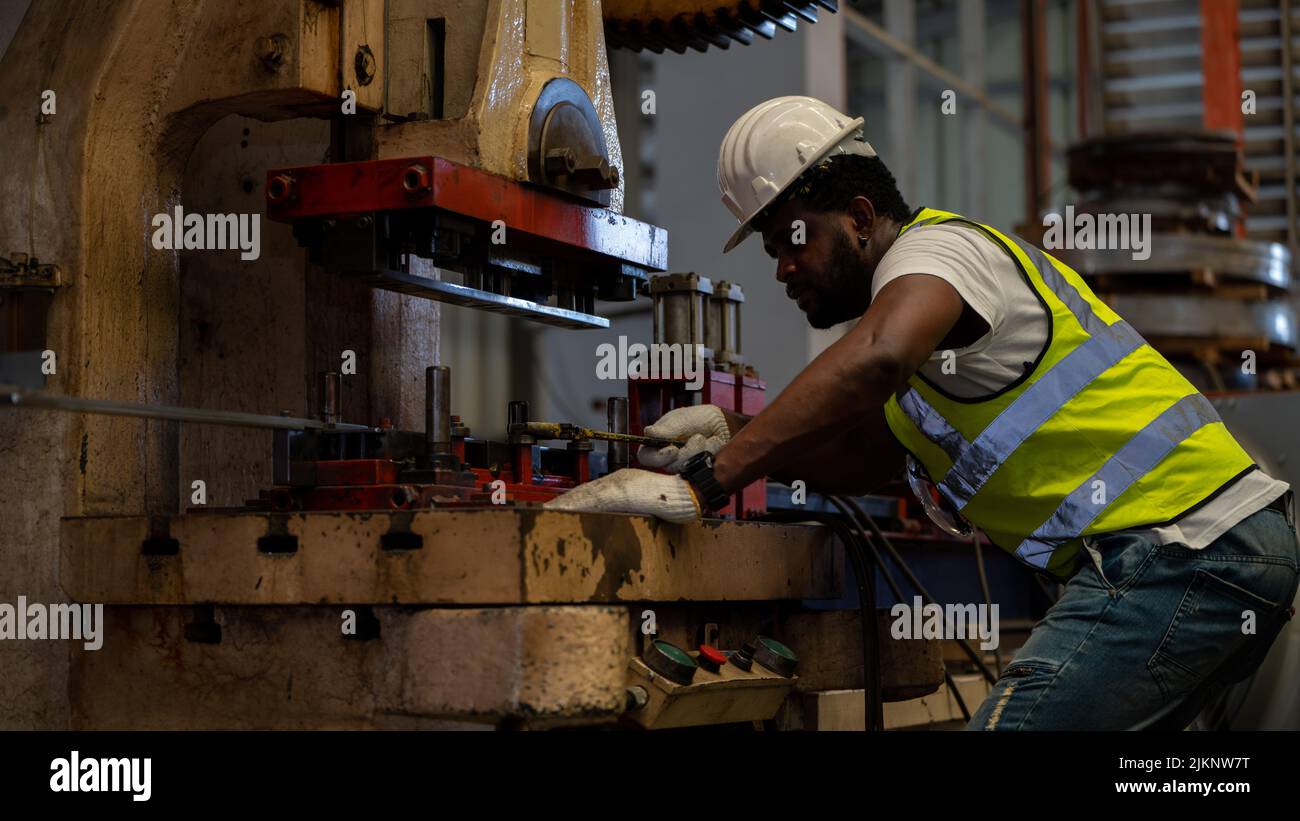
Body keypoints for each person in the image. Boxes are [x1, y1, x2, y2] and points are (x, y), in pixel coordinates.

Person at [545, 96, 1300, 730]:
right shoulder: (922, 359)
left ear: (862, 217)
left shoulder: (937, 254)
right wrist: (731, 433)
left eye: (792, 242)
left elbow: (877, 353)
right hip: (1210, 552)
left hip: (1182, 548)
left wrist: (710, 480)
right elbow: (867, 456)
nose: (782, 270)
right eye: (771, 252)